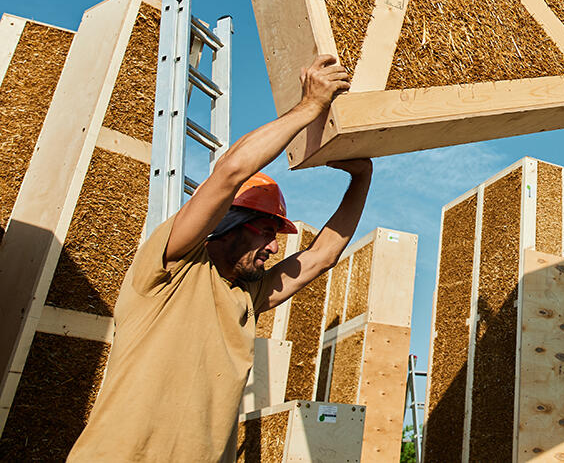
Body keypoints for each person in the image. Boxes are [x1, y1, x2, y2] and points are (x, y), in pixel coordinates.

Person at [69, 55, 373, 462]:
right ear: (231, 222)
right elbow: (230, 172)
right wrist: (309, 107)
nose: (274, 246)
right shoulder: (172, 265)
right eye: (264, 231)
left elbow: (322, 256)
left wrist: (362, 177)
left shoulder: (249, 294)